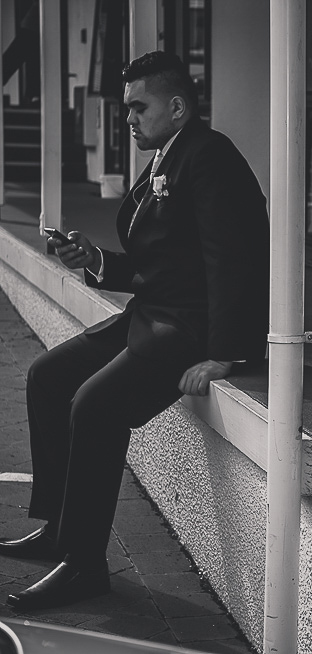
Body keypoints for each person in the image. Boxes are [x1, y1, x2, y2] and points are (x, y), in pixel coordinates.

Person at [0, 51, 270, 609]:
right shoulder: (168, 155)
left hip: (188, 329)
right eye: (126, 107)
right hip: (150, 315)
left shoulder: (210, 157)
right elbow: (166, 259)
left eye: (138, 106)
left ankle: (83, 564)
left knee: (93, 406)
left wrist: (225, 354)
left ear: (176, 106)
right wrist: (96, 258)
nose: (128, 118)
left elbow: (233, 259)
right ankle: (57, 529)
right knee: (49, 376)